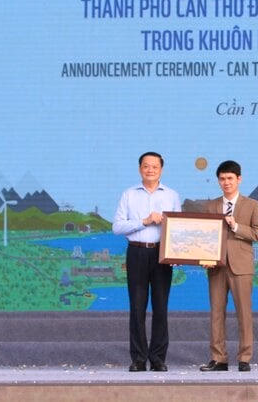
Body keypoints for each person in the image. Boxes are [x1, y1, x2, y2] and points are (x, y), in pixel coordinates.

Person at [112, 151, 181, 372]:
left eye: (154, 166)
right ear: (139, 168)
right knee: (137, 307)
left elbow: (178, 229)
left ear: (161, 169)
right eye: (146, 166)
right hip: (137, 252)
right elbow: (117, 227)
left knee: (161, 307)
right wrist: (145, 221)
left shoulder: (172, 195)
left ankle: (158, 358)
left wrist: (177, 253)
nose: (150, 170)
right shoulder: (128, 194)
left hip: (162, 254)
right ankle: (139, 359)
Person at [199, 160, 258, 372]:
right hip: (216, 267)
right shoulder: (210, 206)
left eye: (230, 178)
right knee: (216, 313)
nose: (226, 182)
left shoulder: (252, 205)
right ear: (218, 181)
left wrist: (236, 226)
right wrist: (203, 256)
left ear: (239, 179)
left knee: (244, 313)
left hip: (241, 267)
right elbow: (204, 237)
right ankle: (219, 359)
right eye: (222, 179)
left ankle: (244, 358)